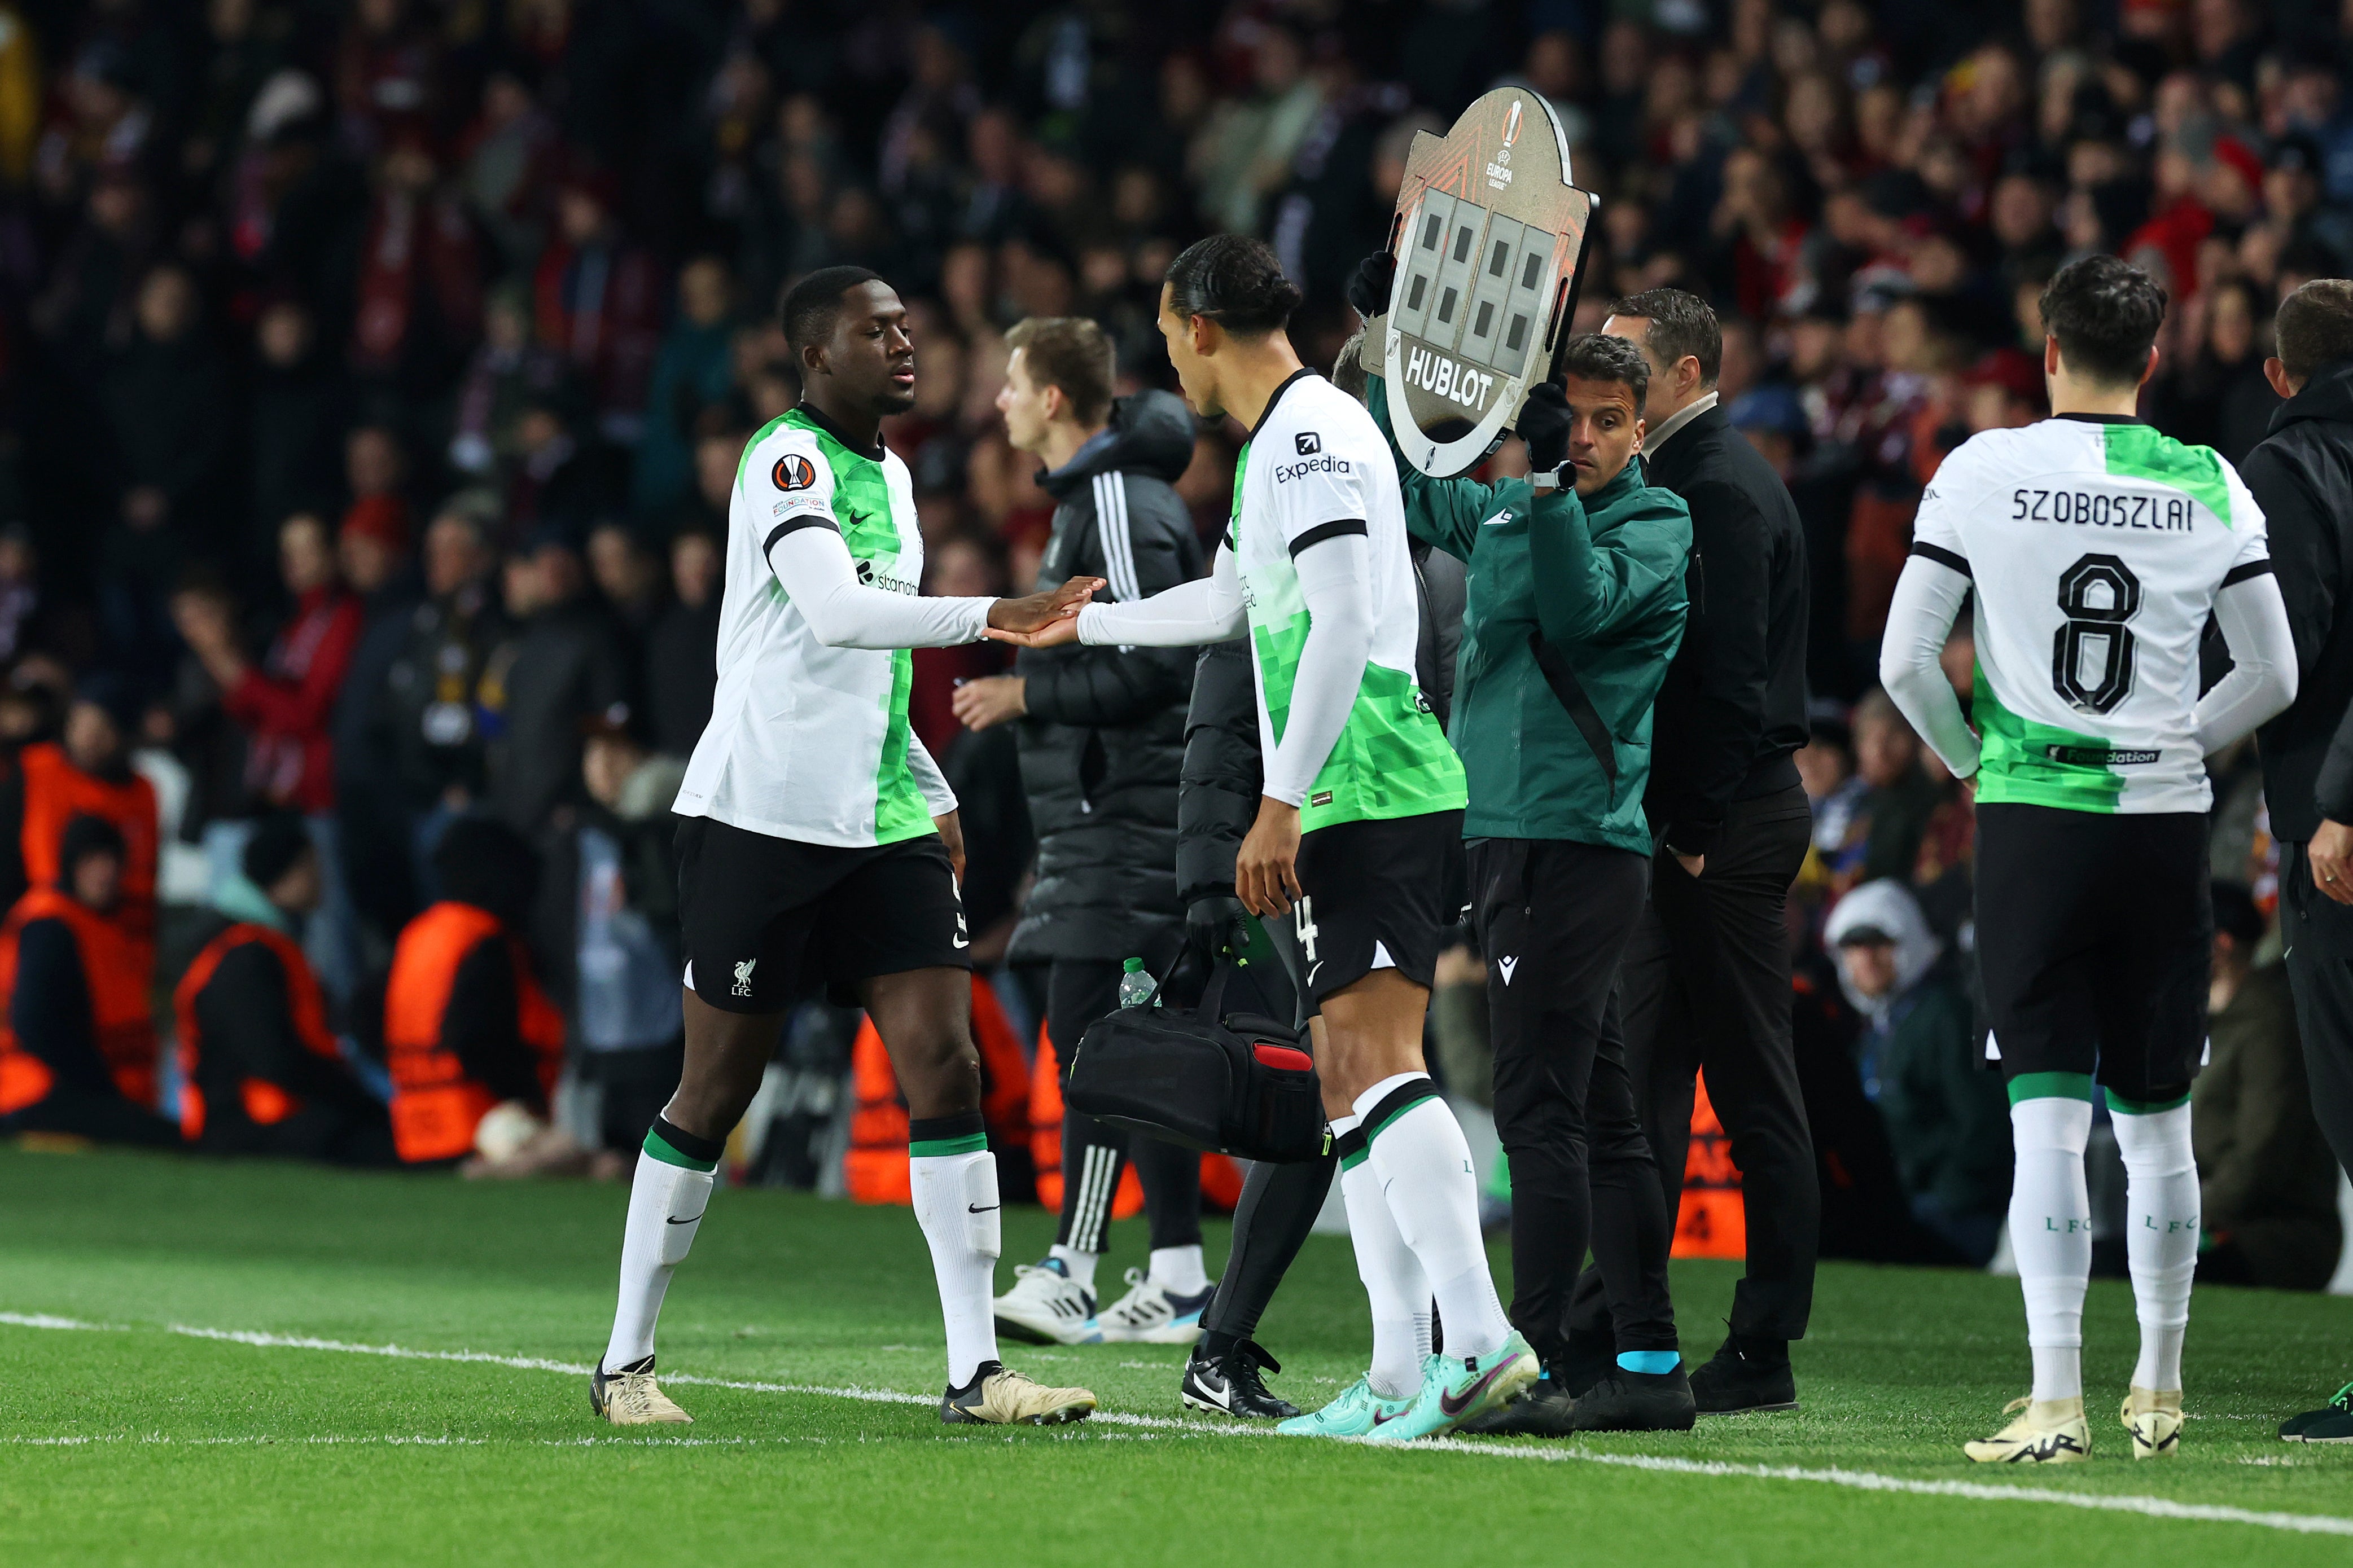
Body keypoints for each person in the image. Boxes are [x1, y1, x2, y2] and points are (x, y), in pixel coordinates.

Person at [991, 236, 1533, 1442]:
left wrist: (1278, 798)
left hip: (1372, 786)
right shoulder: (1283, 442)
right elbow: (1232, 606)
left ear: (1194, 325)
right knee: (1347, 1082)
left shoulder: (1308, 436)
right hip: (1349, 792)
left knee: (1382, 1068)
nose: (1162, 365)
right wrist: (1078, 630)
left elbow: (1342, 621)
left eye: (1163, 333)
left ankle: (1478, 1337)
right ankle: (1401, 1368)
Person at [591, 265, 1102, 1429]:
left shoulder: (897, 473)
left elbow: (867, 670)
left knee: (947, 1062)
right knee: (715, 1088)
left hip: (877, 822)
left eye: (907, 327)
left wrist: (924, 780)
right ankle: (625, 1362)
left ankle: (977, 1371)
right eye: (875, 332)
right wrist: (997, 614)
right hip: (759, 818)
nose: (903, 343)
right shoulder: (787, 461)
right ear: (816, 356)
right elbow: (832, 613)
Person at [1879, 254, 2298, 1463]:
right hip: (2160, 825)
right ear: (2152, 360)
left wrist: (1970, 761)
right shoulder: (2208, 480)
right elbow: (2268, 670)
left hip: (2031, 820)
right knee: (2156, 1126)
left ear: (2044, 347)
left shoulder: (1982, 469)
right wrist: (2178, 745)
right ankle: (2157, 1393)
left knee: (2047, 1128)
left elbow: (1904, 662)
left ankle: (2053, 1398)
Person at [1359, 297, 1695, 1433]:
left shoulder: (1653, 528)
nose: (1587, 437)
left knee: (1534, 1105)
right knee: (1595, 1108)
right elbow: (1394, 485)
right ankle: (1648, 1367)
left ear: (1640, 428)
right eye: (1575, 419)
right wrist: (1378, 346)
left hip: (1574, 843)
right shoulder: (1511, 507)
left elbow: (1575, 606)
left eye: (1607, 421)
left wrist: (1546, 493)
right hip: (1509, 834)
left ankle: (1535, 1363)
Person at [1576, 287, 1817, 1414]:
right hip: (1696, 818)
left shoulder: (1710, 486)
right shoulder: (1705, 473)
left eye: (1623, 361)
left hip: (1715, 823)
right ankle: (1613, 1326)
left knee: (1747, 1085)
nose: (1601, 377)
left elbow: (1722, 686)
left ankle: (1761, 1345)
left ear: (1679, 375)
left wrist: (1688, 833)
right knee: (1644, 1087)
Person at [963, 315, 1213, 1347]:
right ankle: (1177, 1270)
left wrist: (1026, 699)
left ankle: (1072, 1268)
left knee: (1092, 1037)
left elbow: (1160, 654)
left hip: (1132, 812)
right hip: (1108, 814)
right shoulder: (1093, 500)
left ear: (1054, 398)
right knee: (1127, 1042)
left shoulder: (1116, 501)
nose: (997, 400)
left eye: (1011, 381)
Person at [2242, 278, 2353, 1439]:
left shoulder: (2289, 464)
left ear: (2278, 374)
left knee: (2346, 1088)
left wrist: (2334, 799)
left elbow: (2292, 649)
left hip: (2337, 828)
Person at [173, 814, 393, 1165]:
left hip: (263, 1117)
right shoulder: (246, 953)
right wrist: (355, 1100)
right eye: (312, 865)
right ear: (290, 873)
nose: (321, 877)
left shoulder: (260, 941)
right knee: (383, 1144)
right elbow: (274, 1061)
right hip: (248, 1126)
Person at [1823, 879, 2011, 1266]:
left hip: (1949, 1215)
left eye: (1880, 943)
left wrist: (1951, 1198)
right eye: (1854, 946)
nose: (1867, 958)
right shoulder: (1877, 1027)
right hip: (1899, 1208)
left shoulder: (1944, 1016)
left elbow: (1981, 1122)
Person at [382, 816, 567, 1168]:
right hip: (485, 1126)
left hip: (413, 1129)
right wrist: (524, 1095)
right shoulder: (485, 939)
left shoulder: (419, 935)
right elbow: (477, 1038)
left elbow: (366, 1013)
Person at [2196, 881, 2341, 1294]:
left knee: (2116, 1266)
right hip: (2215, 1220)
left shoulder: (2270, 1022)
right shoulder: (2210, 1020)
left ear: (2219, 943)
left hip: (2274, 1238)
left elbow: (2261, 1152)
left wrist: (2183, 1217)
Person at [0, 815, 177, 1146]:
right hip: (41, 1092)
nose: (106, 872)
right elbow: (36, 1025)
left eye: (113, 861)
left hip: (82, 1092)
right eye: (93, 860)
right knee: (166, 1142)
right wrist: (104, 1090)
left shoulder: (104, 926)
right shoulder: (50, 926)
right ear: (71, 865)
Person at [0, 677, 160, 971]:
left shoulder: (142, 793)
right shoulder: (36, 769)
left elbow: (145, 878)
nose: (87, 738)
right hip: (36, 938)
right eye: (80, 724)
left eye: (102, 728)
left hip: (113, 946)